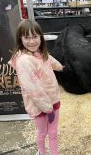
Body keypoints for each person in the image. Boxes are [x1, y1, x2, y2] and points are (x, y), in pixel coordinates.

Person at [8, 19, 63, 155]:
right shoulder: (24, 61)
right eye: (27, 37)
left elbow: (50, 60)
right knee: (42, 132)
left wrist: (61, 67)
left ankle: (54, 153)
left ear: (40, 37)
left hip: (53, 100)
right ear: (20, 39)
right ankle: (42, 152)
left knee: (53, 131)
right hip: (40, 106)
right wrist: (47, 109)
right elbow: (33, 89)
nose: (31, 41)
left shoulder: (39, 52)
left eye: (35, 37)